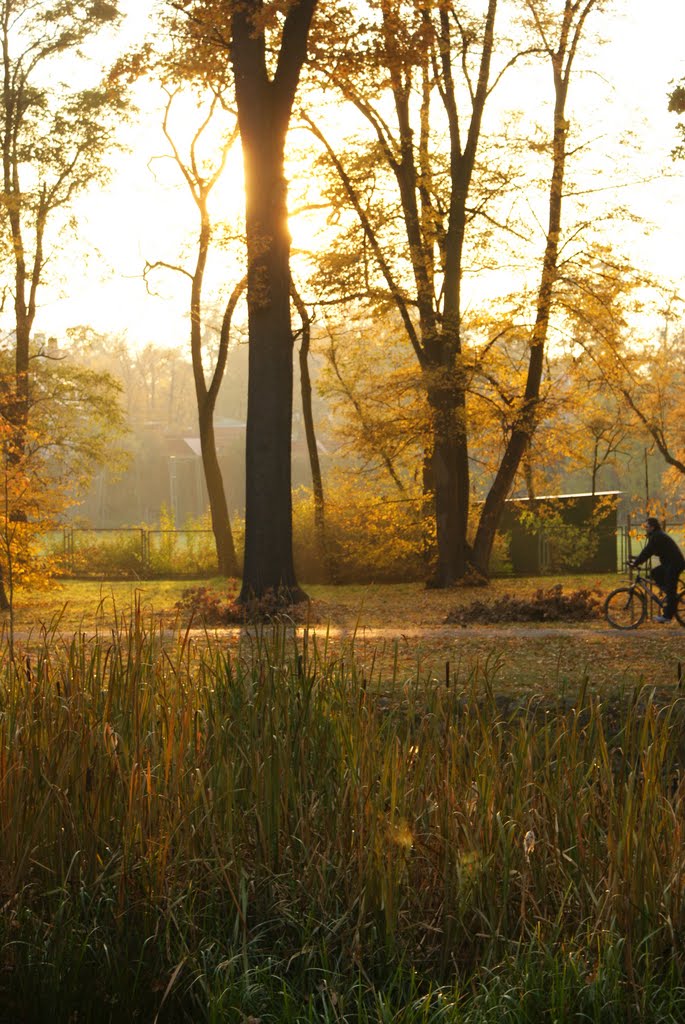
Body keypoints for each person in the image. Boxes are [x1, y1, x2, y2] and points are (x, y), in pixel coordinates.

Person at [629, 516, 685, 622]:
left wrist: (636, 563)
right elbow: (647, 552)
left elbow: (647, 551)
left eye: (647, 526)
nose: (645, 528)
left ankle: (667, 616)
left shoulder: (657, 536)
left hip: (675, 564)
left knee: (671, 590)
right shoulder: (656, 535)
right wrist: (636, 561)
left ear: (653, 527)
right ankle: (668, 592)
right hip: (670, 563)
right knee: (655, 573)